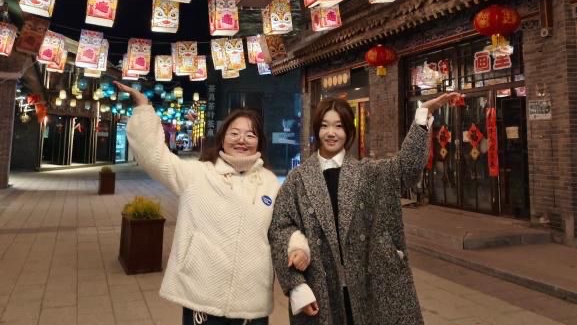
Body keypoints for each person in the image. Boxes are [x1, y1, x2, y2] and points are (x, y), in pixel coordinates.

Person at [116, 82, 311, 325]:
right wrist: (144, 109)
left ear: (259, 142)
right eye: (234, 133)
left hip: (251, 303)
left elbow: (284, 226)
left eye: (250, 135)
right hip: (202, 298)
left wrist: (298, 248)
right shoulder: (197, 174)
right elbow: (154, 157)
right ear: (222, 139)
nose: (242, 140)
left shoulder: (270, 183)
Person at [268, 92, 462, 325]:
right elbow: (280, 227)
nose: (331, 133)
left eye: (339, 126)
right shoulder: (297, 180)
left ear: (349, 131)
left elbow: (405, 168)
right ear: (316, 130)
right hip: (319, 290)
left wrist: (423, 115)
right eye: (324, 126)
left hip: (368, 286)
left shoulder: (367, 173)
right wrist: (296, 284)